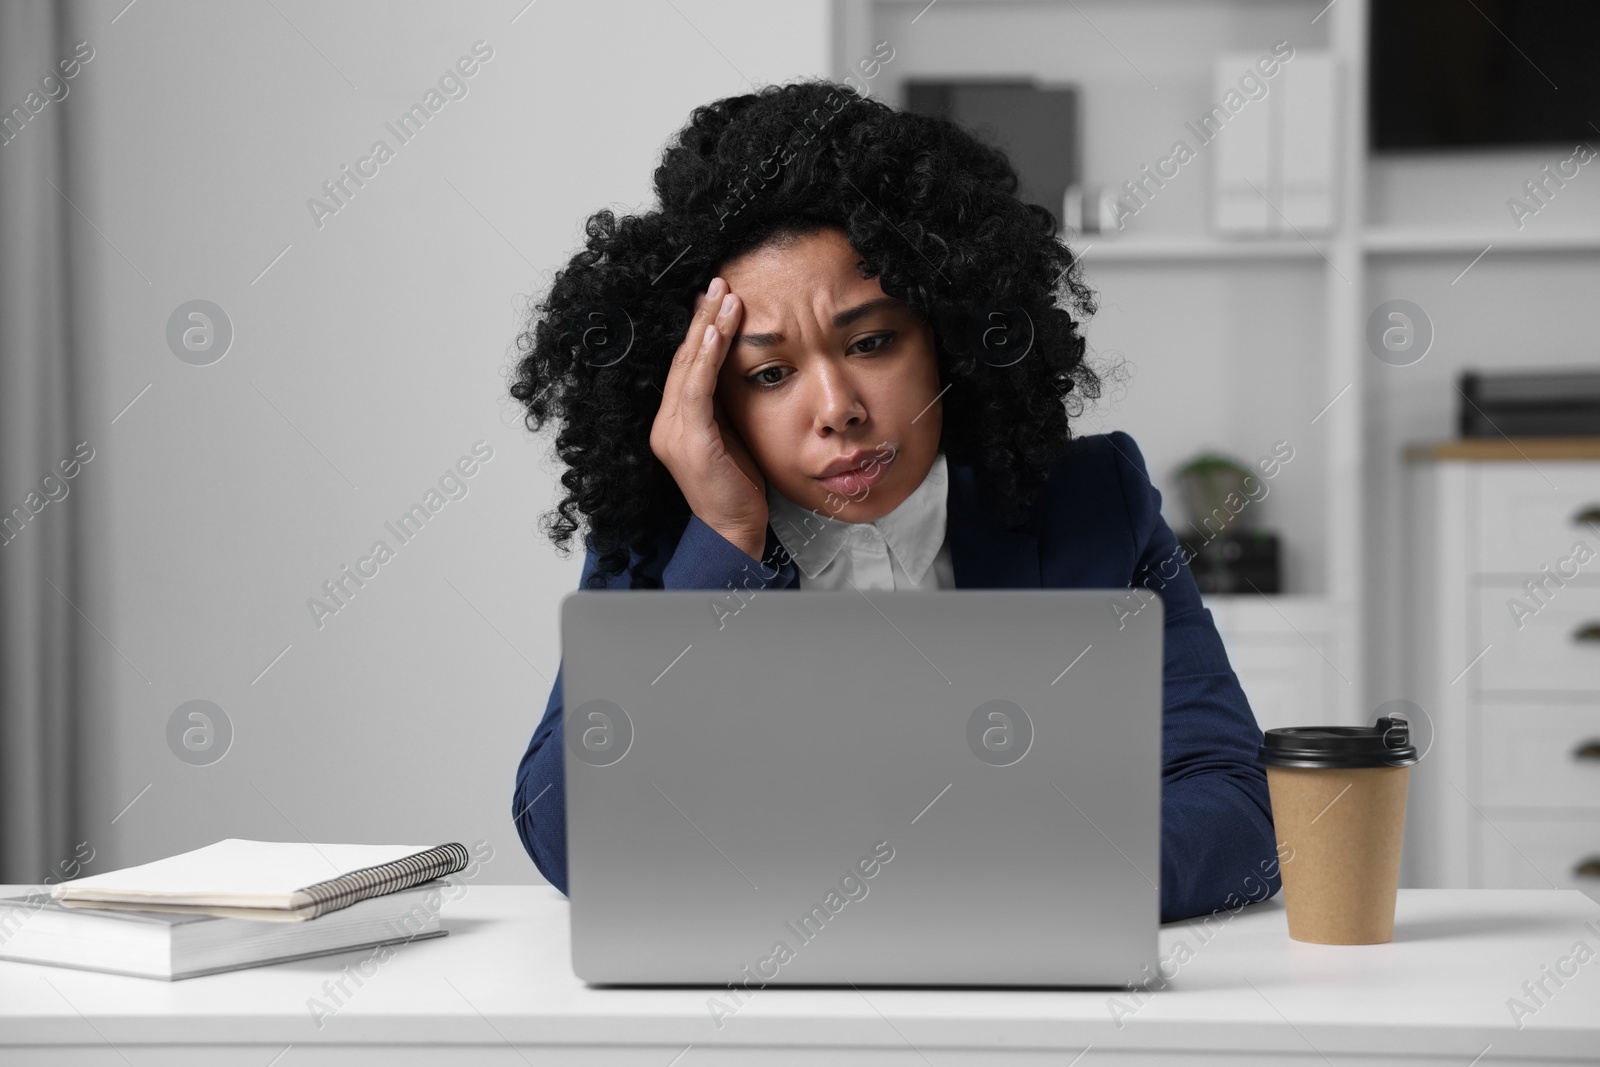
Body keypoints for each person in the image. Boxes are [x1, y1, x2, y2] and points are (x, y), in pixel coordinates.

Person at [507, 78, 1281, 924]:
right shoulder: (665, 540)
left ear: (945, 331)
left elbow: (1235, 805)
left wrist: (985, 882)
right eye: (769, 374)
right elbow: (569, 831)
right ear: (714, 402)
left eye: (872, 342)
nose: (837, 407)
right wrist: (725, 540)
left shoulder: (1093, 502)